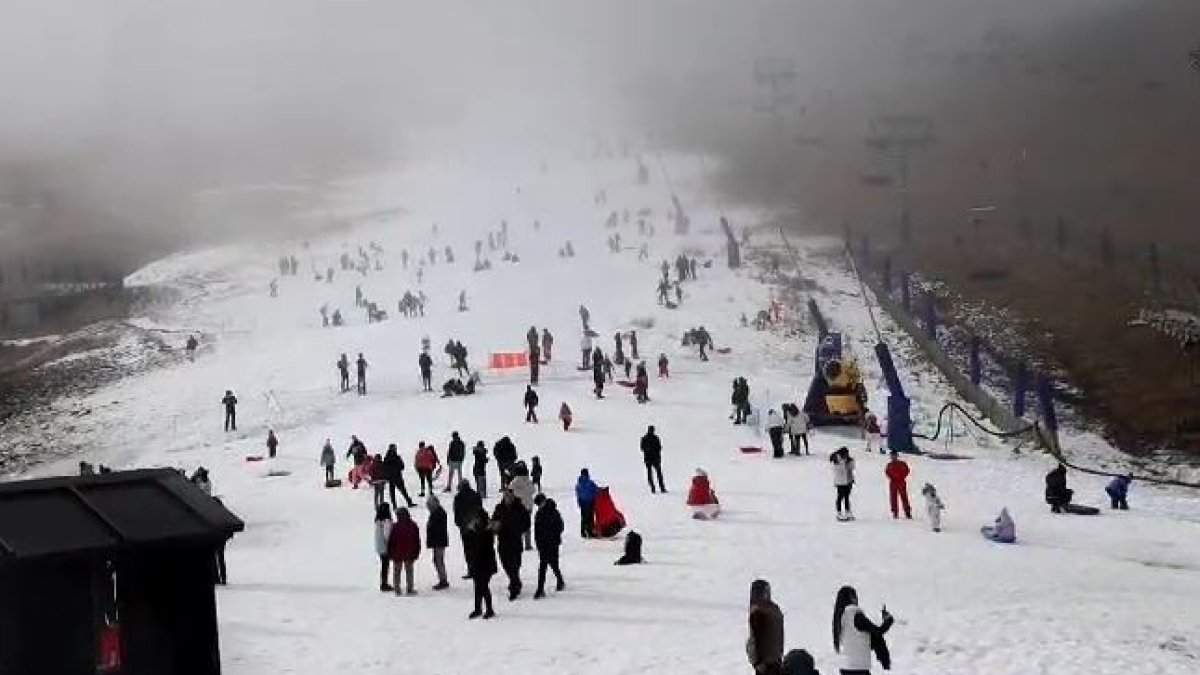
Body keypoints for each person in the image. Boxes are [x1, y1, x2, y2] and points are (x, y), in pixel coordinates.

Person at [832, 585, 893, 674]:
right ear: (852, 598)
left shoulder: (840, 618)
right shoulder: (855, 615)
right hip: (858, 668)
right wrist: (888, 620)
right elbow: (878, 632)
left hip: (845, 668)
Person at [491, 488, 530, 601]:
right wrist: (495, 528)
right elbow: (494, 520)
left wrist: (518, 530)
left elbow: (526, 523)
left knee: (515, 564)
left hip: (515, 541)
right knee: (506, 563)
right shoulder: (499, 508)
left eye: (509, 496)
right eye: (505, 496)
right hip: (503, 540)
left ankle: (514, 586)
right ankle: (515, 581)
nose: (507, 498)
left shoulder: (520, 508)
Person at [464, 507, 497, 619]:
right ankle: (478, 608)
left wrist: (471, 531)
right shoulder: (479, 530)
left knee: (483, 587)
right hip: (478, 563)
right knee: (478, 587)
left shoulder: (485, 531)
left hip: (484, 563)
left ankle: (489, 609)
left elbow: (479, 545)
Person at [747, 579, 785, 675]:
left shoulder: (761, 611)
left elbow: (755, 640)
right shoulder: (770, 610)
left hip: (769, 661)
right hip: (772, 661)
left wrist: (756, 662)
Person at [532, 494, 566, 598]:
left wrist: (553, 535)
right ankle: (540, 588)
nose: (539, 506)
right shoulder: (538, 514)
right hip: (543, 544)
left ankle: (560, 580)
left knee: (553, 564)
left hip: (553, 543)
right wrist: (538, 542)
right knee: (543, 566)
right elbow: (537, 530)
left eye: (540, 503)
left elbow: (560, 526)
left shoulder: (554, 512)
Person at [453, 480, 484, 579]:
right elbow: (480, 509)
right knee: (477, 548)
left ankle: (471, 569)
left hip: (465, 527)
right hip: (476, 525)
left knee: (468, 549)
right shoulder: (476, 495)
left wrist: (459, 524)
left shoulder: (458, 498)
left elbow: (457, 512)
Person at [387, 507, 421, 595]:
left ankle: (397, 589)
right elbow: (417, 540)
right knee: (409, 571)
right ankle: (410, 588)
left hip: (397, 553)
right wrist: (417, 551)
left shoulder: (395, 527)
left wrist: (390, 552)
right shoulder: (413, 525)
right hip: (410, 553)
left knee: (397, 572)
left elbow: (391, 541)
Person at [508, 463, 537, 550]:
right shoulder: (528, 481)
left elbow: (510, 491)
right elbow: (533, 490)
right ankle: (528, 544)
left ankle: (518, 543)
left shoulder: (515, 481)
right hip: (528, 505)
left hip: (518, 506)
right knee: (527, 525)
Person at [426, 495, 450, 590]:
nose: (428, 507)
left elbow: (436, 528)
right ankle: (442, 579)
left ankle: (443, 580)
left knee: (438, 560)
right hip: (438, 540)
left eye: (429, 505)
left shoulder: (438, 513)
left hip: (439, 541)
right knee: (438, 560)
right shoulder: (437, 512)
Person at [383, 443, 416, 508]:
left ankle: (395, 506)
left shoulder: (386, 458)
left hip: (391, 478)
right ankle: (409, 502)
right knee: (403, 491)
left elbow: (384, 468)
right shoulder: (397, 457)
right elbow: (402, 466)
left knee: (392, 493)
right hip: (397, 476)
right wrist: (397, 468)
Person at [884, 451, 913, 519]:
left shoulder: (902, 463)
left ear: (897, 456)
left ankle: (907, 512)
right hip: (893, 482)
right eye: (891, 456)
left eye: (894, 456)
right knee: (893, 497)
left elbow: (907, 470)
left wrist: (902, 477)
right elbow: (887, 472)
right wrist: (892, 478)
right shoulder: (889, 465)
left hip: (901, 482)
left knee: (904, 497)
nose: (893, 457)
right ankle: (895, 512)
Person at [831, 447, 856, 521]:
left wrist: (850, 462)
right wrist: (846, 463)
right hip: (840, 482)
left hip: (848, 480)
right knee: (840, 497)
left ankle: (848, 511)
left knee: (847, 497)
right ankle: (839, 513)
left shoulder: (848, 460)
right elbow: (841, 470)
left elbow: (852, 468)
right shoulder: (836, 460)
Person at [374, 503, 394, 592]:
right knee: (385, 565)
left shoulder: (377, 521)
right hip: (385, 546)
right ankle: (384, 583)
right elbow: (387, 535)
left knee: (384, 565)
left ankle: (383, 582)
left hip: (379, 546)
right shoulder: (386, 521)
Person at [640, 425, 666, 493]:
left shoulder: (646, 438)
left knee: (652, 474)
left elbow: (643, 448)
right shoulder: (652, 438)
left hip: (651, 458)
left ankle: (655, 488)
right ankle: (659, 488)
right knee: (656, 473)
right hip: (653, 458)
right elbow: (643, 448)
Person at [576, 468, 599, 538]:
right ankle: (590, 532)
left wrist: (579, 502)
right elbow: (596, 490)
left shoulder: (579, 483)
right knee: (590, 518)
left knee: (584, 518)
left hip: (582, 503)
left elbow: (578, 494)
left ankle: (583, 532)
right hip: (590, 503)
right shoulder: (590, 483)